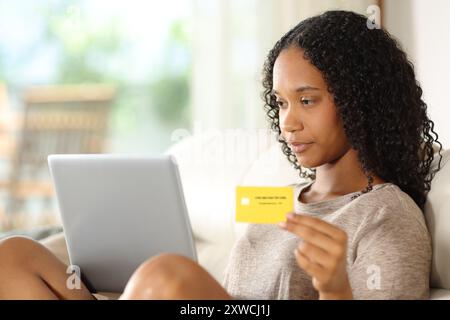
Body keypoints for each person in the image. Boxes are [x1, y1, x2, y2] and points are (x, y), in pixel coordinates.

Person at [0, 10, 443, 300]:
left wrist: (335, 292)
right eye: (281, 103)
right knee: (14, 256)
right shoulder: (277, 197)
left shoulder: (387, 214)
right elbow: (211, 225)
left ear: (360, 101)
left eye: (307, 101)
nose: (288, 122)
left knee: (167, 277)